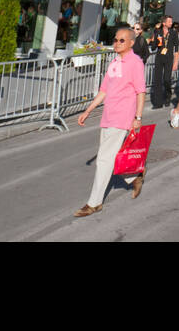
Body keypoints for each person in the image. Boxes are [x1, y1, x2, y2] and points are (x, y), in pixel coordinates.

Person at [75, 26, 147, 217]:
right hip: (108, 115)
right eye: (115, 40)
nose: (116, 43)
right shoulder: (114, 62)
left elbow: (141, 91)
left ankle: (94, 203)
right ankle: (134, 177)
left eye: (121, 40)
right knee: (112, 156)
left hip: (123, 116)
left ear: (131, 43)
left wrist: (138, 118)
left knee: (104, 159)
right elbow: (104, 91)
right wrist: (88, 110)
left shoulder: (135, 63)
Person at [149, 16, 179, 110]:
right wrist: (154, 36)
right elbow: (154, 47)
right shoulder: (158, 32)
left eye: (171, 21)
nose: (171, 23)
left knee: (166, 79)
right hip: (159, 57)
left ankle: (167, 96)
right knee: (157, 80)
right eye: (169, 21)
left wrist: (176, 62)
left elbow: (176, 48)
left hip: (169, 58)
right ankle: (158, 103)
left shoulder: (173, 33)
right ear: (164, 23)